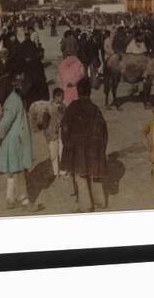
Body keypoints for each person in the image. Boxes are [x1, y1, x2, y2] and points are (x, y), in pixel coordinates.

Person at [60, 78, 108, 212]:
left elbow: (64, 128)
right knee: (95, 172)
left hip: (78, 148)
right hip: (94, 147)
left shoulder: (72, 107)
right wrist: (101, 148)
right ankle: (100, 201)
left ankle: (86, 205)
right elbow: (104, 130)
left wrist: (67, 145)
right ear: (90, 91)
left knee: (80, 176)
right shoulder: (95, 109)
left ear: (77, 91)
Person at [0, 71, 39, 212]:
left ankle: (10, 199)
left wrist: (1, 135)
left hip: (11, 140)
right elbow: (6, 122)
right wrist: (1, 133)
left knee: (12, 170)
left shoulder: (11, 100)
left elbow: (4, 122)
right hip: (16, 140)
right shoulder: (14, 100)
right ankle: (24, 200)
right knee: (19, 170)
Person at [29, 88, 67, 181]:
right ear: (55, 97)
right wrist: (47, 133)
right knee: (53, 153)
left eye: (62, 96)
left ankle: (62, 170)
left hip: (60, 132)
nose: (62, 99)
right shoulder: (48, 108)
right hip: (51, 133)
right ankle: (55, 172)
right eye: (60, 96)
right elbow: (45, 122)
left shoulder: (63, 106)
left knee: (62, 151)